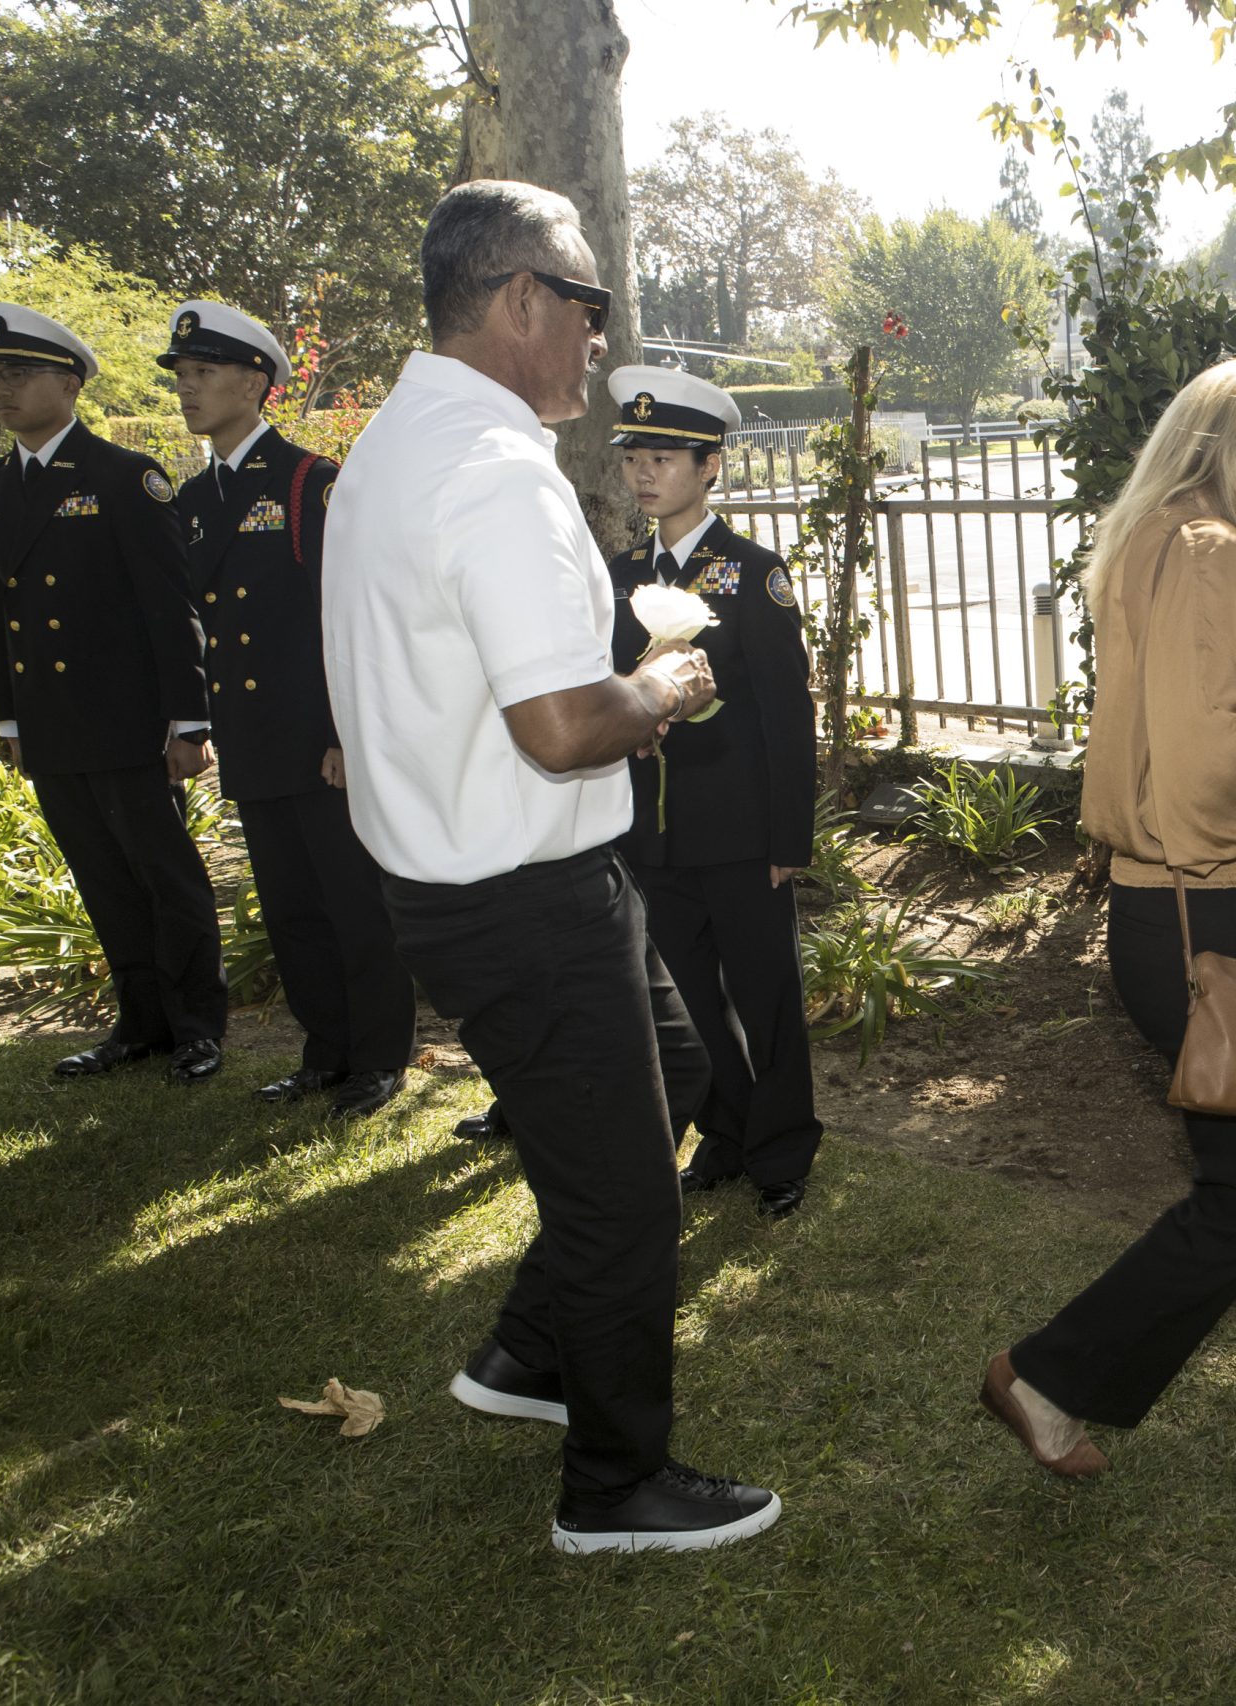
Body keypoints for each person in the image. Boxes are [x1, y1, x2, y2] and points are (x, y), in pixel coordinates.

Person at [322, 179, 776, 1555]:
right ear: (522, 299)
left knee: (681, 1075)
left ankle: (527, 1352)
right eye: (587, 306)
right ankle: (617, 1483)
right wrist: (666, 686)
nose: (596, 335)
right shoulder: (494, 466)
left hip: (478, 883)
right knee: (626, 1198)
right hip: (521, 893)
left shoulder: (394, 445)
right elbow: (567, 725)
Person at [981, 357, 1236, 1479]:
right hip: (1217, 915)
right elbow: (1215, 766)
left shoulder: (1162, 540)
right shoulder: (1206, 552)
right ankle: (1049, 1375)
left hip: (1212, 908)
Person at [161, 301, 415, 1119]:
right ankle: (325, 1051)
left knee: (352, 904)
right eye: (182, 376)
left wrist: (346, 732)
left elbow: (353, 614)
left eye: (203, 374)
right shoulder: (196, 499)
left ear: (255, 382)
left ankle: (378, 1057)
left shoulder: (311, 483)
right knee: (291, 908)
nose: (187, 390)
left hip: (319, 741)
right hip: (254, 739)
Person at [0, 302, 228, 1084]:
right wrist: (8, 715)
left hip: (129, 722)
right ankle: (138, 1024)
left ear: (69, 381)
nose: (2, 391)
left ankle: (196, 1027)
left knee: (164, 877)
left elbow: (167, 607)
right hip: (50, 725)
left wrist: (188, 719)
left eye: (19, 374)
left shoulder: (123, 478)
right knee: (102, 878)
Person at [604, 365, 823, 1221]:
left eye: (665, 456)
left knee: (765, 997)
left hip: (740, 835)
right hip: (654, 839)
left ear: (712, 467)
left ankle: (782, 1150)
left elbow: (784, 717)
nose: (645, 472)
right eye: (635, 457)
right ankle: (726, 1136)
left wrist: (787, 844)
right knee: (691, 1004)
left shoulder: (753, 573)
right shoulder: (619, 574)